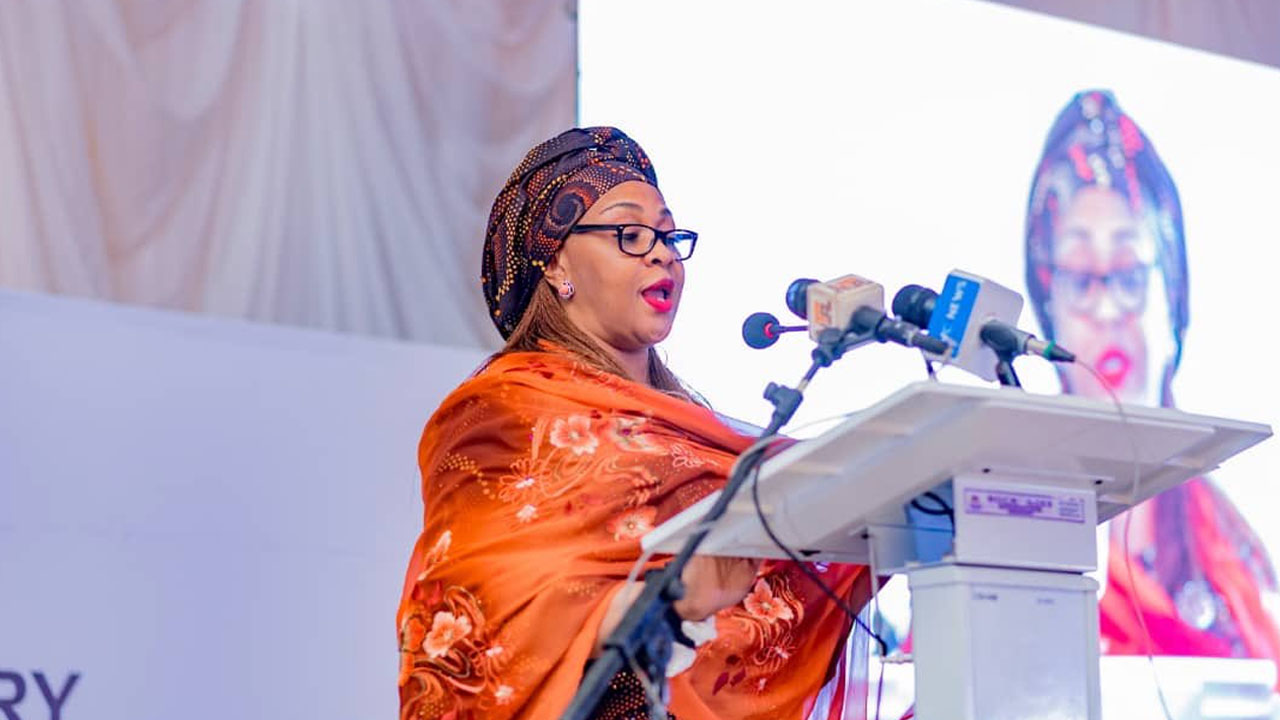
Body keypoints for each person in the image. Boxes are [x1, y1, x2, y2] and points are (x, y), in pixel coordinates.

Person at [397, 127, 873, 719]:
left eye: (669, 235)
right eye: (630, 234)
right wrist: (661, 603)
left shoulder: (697, 429)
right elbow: (474, 604)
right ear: (556, 261)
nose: (661, 253)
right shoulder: (500, 413)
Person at [1024, 90, 1280, 666]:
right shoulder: (1007, 522)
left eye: (1129, 272)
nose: (1107, 308)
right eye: (1080, 276)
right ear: (1048, 304)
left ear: (1173, 294)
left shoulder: (1241, 555)